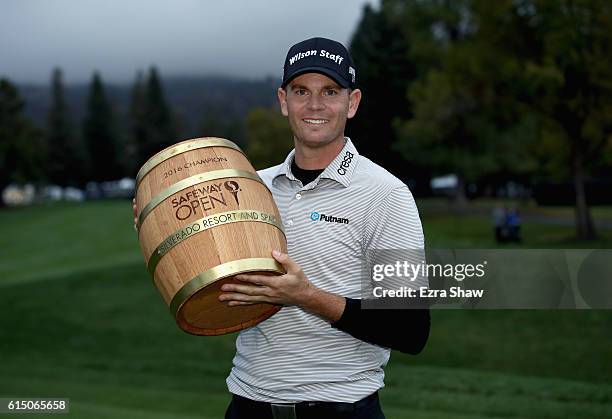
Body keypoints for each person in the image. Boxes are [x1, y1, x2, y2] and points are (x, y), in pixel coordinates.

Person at [134, 37, 429, 419]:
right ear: (283, 100)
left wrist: (307, 296)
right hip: (247, 405)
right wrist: (153, 219)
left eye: (331, 91)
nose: (315, 104)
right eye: (301, 90)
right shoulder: (250, 188)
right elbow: (199, 262)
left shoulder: (385, 194)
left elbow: (411, 328)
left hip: (341, 410)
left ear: (352, 102)